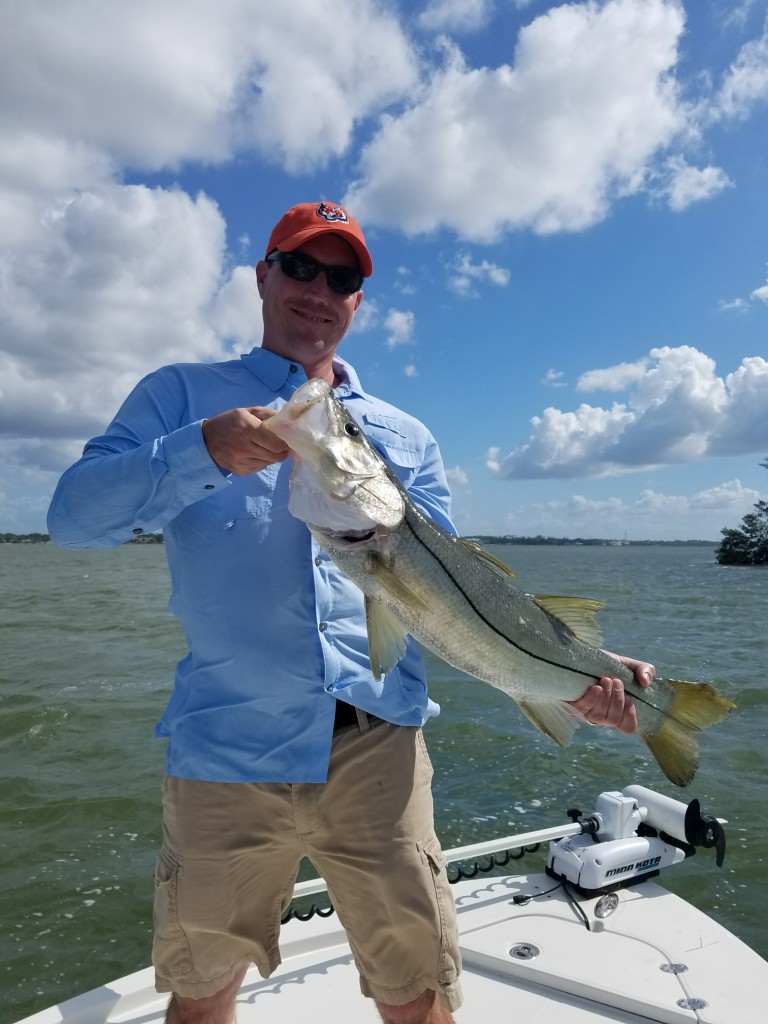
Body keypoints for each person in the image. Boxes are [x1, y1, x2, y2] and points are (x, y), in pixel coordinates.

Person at [48, 201, 654, 1024]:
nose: (319, 289)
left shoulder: (405, 434)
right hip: (226, 749)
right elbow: (75, 519)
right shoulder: (178, 396)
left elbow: (467, 599)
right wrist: (200, 451)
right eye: (299, 266)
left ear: (358, 302)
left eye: (343, 277)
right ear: (263, 276)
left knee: (419, 995)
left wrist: (580, 673)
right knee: (199, 994)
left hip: (381, 756)